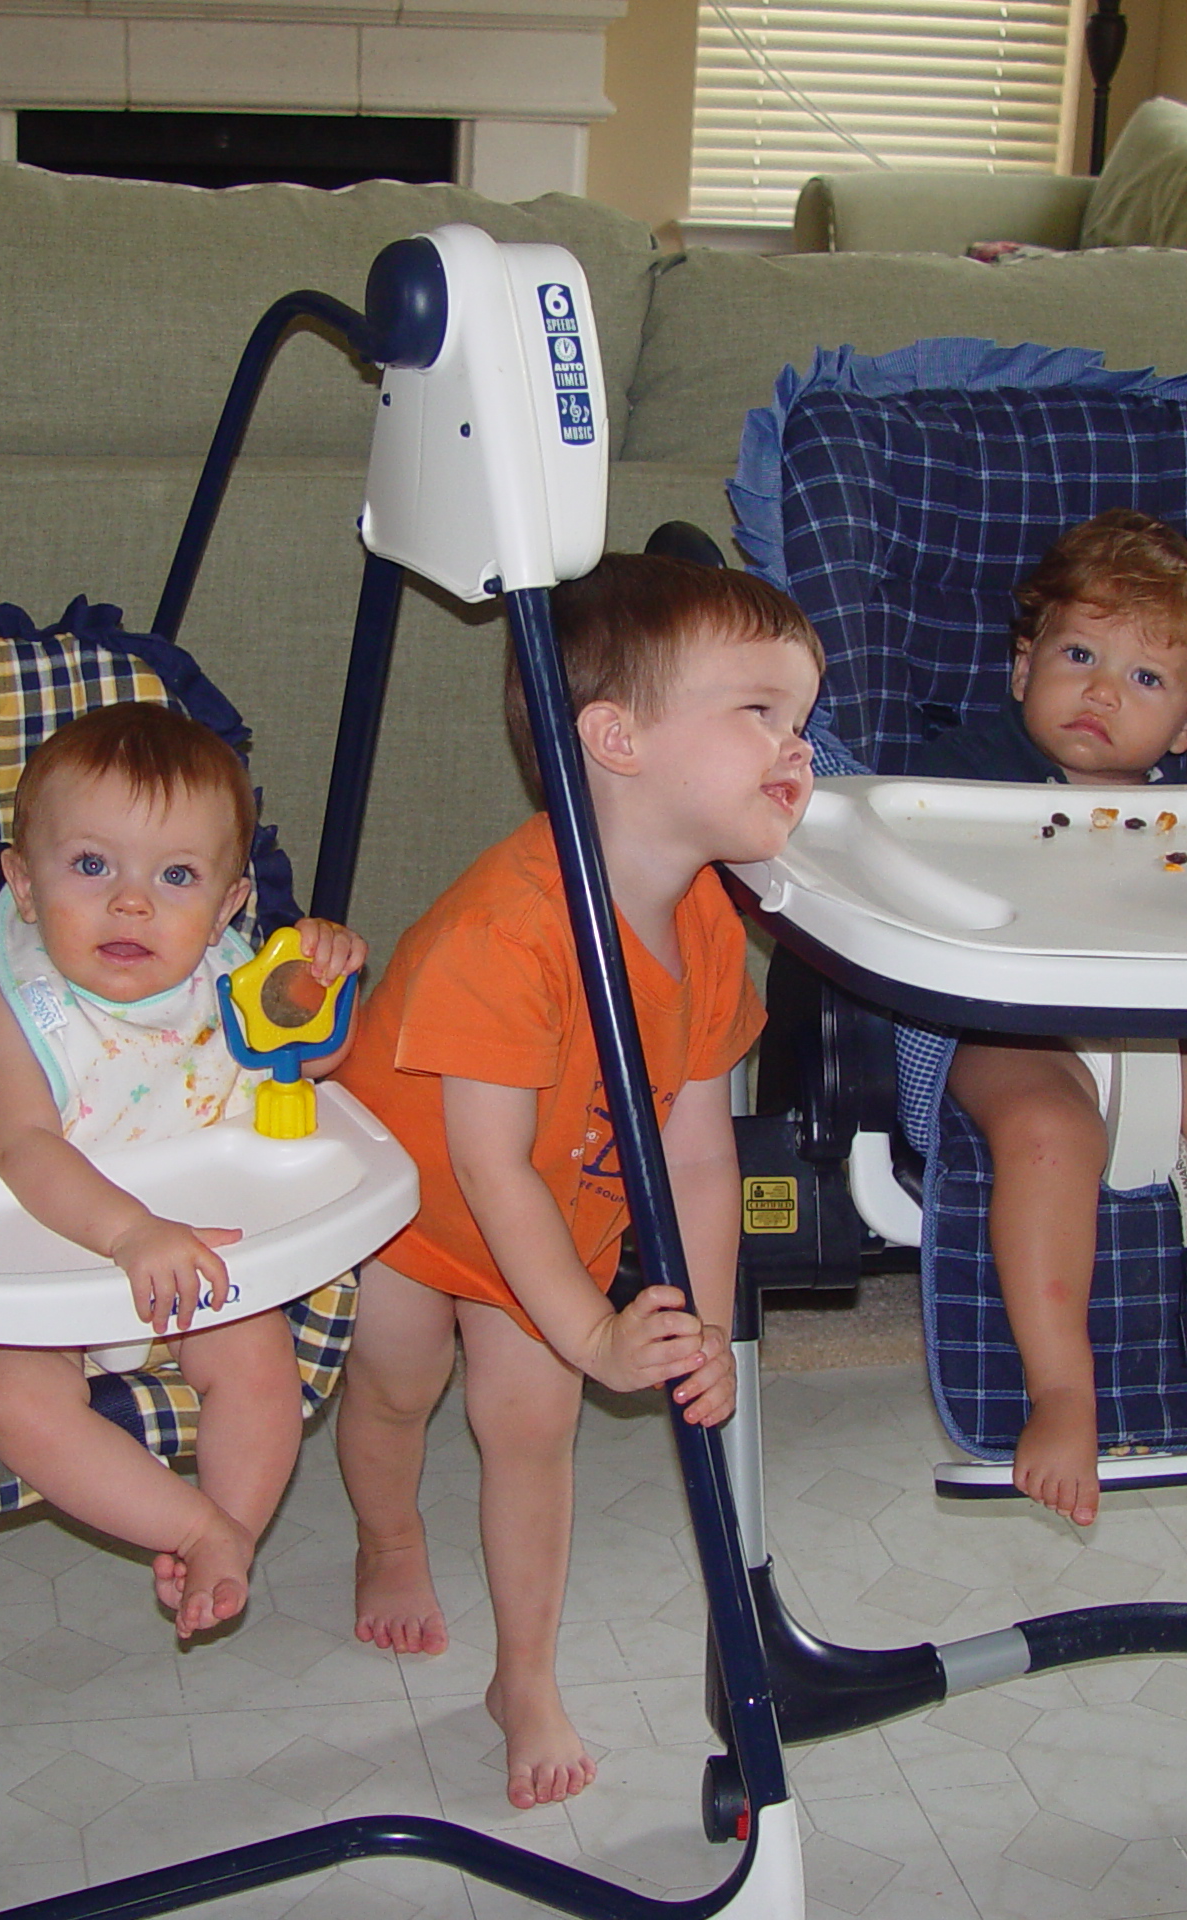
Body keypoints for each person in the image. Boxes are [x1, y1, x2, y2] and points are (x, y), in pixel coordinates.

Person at [332, 554, 823, 1810]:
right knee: (395, 1389)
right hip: (411, 1207)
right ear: (614, 737)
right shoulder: (511, 931)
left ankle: (527, 1676)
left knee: (531, 1428)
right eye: (757, 712)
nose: (797, 746)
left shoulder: (710, 922)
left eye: (803, 719)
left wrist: (695, 1325)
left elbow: (704, 1155)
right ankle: (388, 1543)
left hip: (553, 1215)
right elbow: (486, 1169)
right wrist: (594, 1329)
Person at [917, 508, 1187, 1527]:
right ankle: (1063, 1392)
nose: (1102, 690)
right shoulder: (963, 780)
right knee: (1046, 1133)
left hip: (1170, 1034)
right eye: (1077, 655)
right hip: (1017, 1032)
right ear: (1023, 670)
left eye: (1146, 680)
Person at [0, 701, 366, 1638]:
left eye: (176, 877)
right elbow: (25, 1149)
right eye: (91, 866)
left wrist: (321, 979)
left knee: (263, 1372)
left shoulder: (229, 979)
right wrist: (130, 1234)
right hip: (40, 1254)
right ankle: (192, 1524)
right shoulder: (22, 1011)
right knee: (8, 1400)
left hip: (193, 1253)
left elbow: (310, 1061)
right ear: (19, 881)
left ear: (229, 905)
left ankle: (230, 1537)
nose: (131, 902)